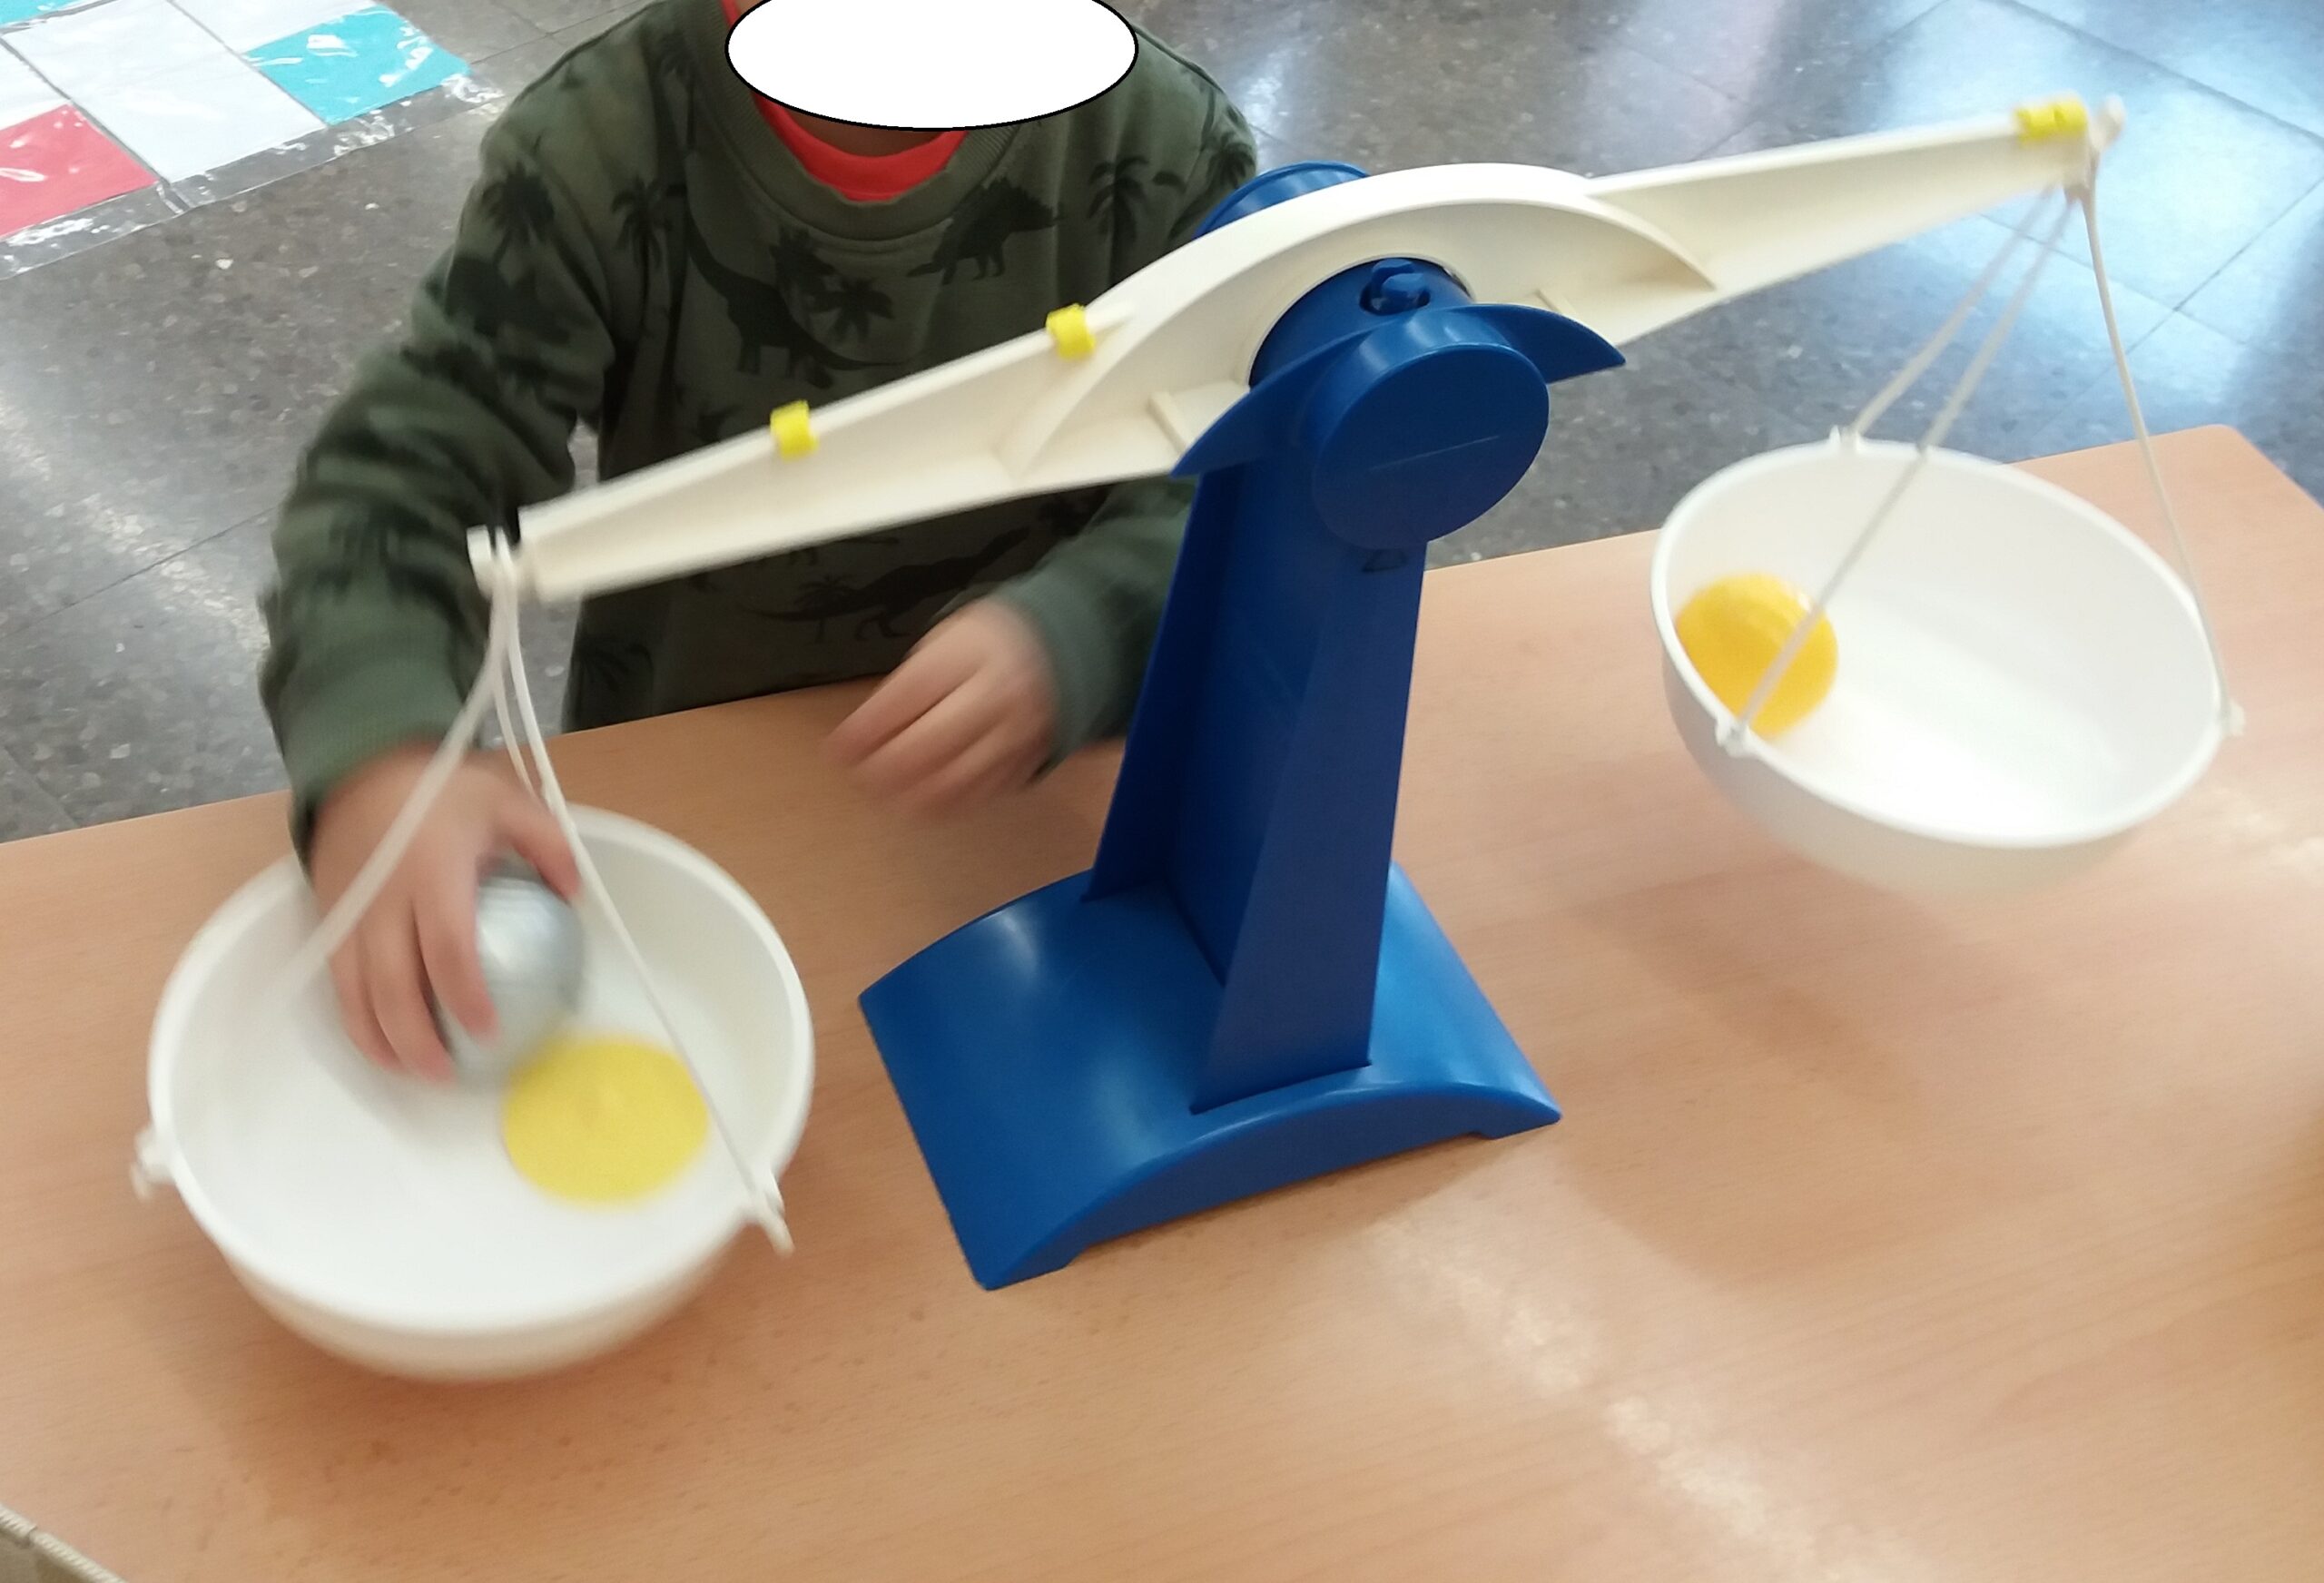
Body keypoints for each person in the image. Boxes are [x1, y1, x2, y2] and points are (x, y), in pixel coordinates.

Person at [259, 0, 1258, 1078]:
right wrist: (384, 757)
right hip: (692, 803)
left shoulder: (1162, 145)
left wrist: (1087, 624)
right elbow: (403, 476)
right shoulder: (601, 140)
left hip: (1029, 830)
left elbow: (1246, 459)